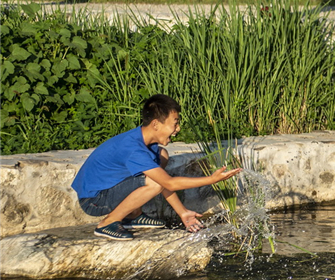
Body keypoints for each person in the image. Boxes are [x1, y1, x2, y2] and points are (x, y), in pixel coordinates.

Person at [71, 94, 242, 240]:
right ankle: (107, 224)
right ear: (155, 124)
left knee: (163, 156)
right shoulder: (134, 149)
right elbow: (167, 183)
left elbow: (163, 180)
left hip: (108, 190)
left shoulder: (147, 144)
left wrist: (182, 213)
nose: (178, 129)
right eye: (175, 123)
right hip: (94, 200)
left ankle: (133, 215)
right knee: (155, 183)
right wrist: (211, 179)